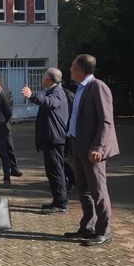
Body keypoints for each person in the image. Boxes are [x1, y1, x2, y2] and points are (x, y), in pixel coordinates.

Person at [65, 54, 119, 247]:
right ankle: (87, 226)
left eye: (72, 66)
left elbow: (106, 121)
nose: (69, 69)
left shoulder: (98, 87)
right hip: (78, 145)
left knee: (98, 190)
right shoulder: (81, 88)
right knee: (83, 190)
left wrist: (99, 147)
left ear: (80, 69)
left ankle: (104, 231)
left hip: (92, 149)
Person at [21, 68, 70, 214]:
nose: (42, 79)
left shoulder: (57, 93)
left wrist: (32, 95)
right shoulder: (52, 91)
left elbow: (49, 102)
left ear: (49, 79)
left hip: (55, 138)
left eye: (43, 77)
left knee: (56, 171)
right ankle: (57, 200)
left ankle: (61, 203)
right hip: (50, 138)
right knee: (52, 171)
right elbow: (44, 98)